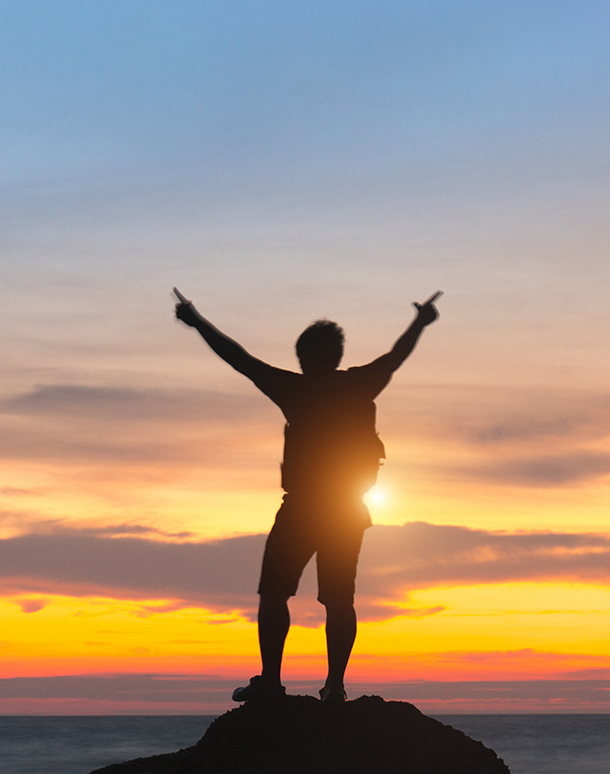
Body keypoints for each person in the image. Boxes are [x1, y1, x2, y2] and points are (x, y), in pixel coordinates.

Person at [174, 289, 439, 704]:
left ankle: (271, 683)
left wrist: (196, 321)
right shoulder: (361, 385)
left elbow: (237, 357)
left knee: (275, 593)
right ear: (335, 354)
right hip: (348, 510)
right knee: (338, 598)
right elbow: (397, 355)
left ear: (303, 357)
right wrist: (421, 321)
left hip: (301, 509)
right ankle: (335, 686)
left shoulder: (293, 391)